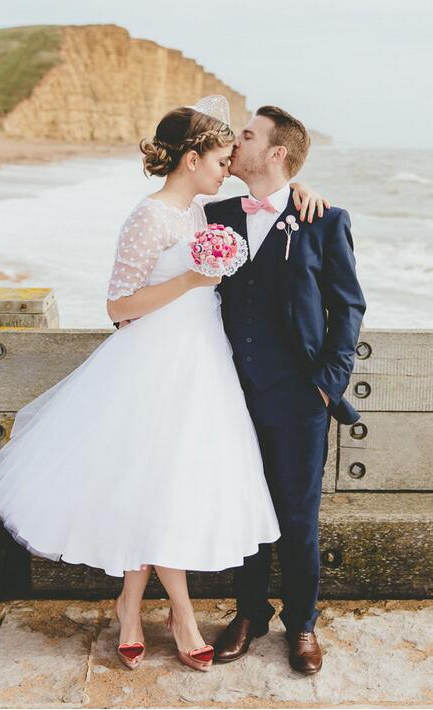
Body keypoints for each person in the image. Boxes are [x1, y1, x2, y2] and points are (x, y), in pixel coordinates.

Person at [0, 96, 325, 673]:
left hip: (204, 364)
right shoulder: (150, 216)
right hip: (153, 365)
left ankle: (132, 606)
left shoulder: (203, 215)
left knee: (168, 484)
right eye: (219, 156)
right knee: (154, 481)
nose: (228, 162)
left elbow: (276, 207)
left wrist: (307, 191)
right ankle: (177, 614)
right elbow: (118, 306)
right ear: (192, 159)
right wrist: (193, 278)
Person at [204, 105, 366, 674]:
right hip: (229, 392)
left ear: (276, 153)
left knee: (298, 518)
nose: (234, 141)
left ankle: (302, 624)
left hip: (299, 397)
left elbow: (348, 308)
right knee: (245, 508)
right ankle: (249, 613)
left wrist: (326, 386)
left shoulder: (323, 219)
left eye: (246, 135)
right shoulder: (216, 214)